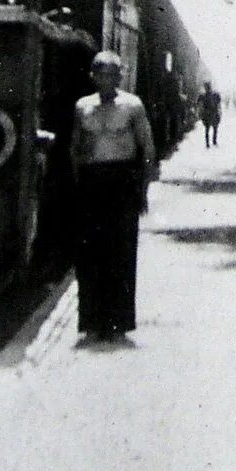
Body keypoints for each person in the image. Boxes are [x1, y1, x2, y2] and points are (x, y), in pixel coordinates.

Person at [69, 50, 159, 344]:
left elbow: (146, 149)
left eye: (112, 74)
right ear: (92, 76)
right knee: (90, 253)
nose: (107, 79)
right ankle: (92, 321)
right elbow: (75, 148)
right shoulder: (83, 107)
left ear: (120, 77)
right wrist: (77, 184)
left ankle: (118, 321)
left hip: (122, 183)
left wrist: (143, 191)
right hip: (91, 182)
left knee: (121, 252)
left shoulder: (132, 106)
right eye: (101, 74)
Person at [197, 81, 223, 148]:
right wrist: (219, 113)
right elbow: (218, 104)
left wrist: (200, 114)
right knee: (215, 128)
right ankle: (214, 141)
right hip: (214, 113)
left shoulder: (202, 96)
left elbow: (199, 105)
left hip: (206, 114)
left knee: (207, 129)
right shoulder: (215, 95)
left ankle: (207, 143)